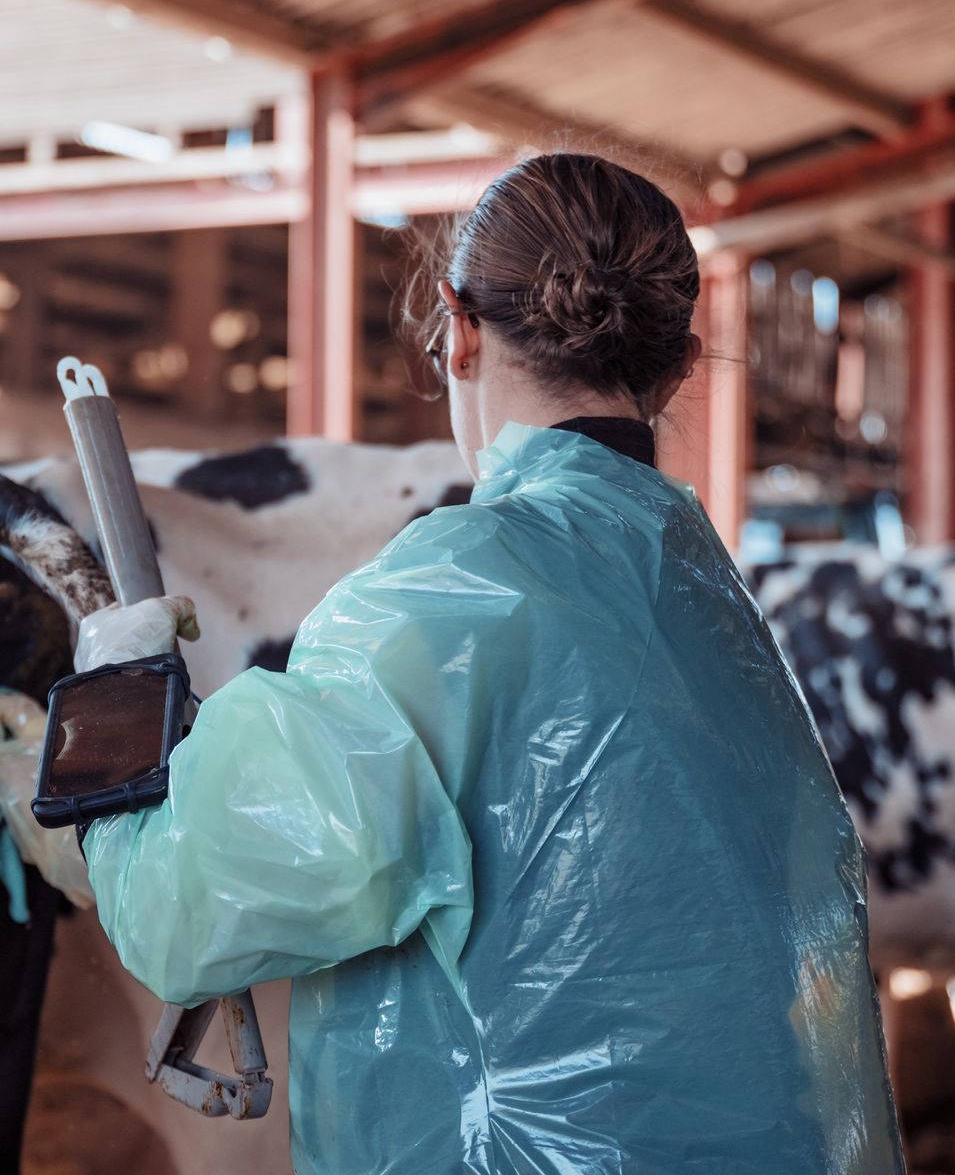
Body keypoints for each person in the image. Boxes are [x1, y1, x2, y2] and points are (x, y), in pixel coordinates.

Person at [72, 153, 905, 1172]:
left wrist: (112, 704)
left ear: (457, 329)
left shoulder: (442, 596)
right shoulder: (710, 598)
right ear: (680, 363)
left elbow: (183, 917)